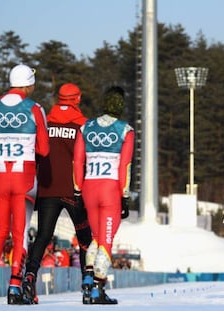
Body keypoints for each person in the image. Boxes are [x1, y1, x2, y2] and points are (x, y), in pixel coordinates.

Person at [0, 64, 49, 305]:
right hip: (24, 177)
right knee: (20, 234)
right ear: (28, 83)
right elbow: (44, 149)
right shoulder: (35, 108)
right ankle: (15, 287)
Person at [22, 83, 92, 304]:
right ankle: (88, 285)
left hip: (48, 188)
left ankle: (29, 277)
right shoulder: (83, 125)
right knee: (85, 241)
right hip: (75, 190)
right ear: (77, 99)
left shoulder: (44, 120)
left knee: (43, 236)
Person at [73, 86, 134, 304]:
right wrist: (124, 196)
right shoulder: (125, 130)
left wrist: (78, 191)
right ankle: (98, 289)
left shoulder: (85, 127)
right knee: (106, 241)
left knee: (97, 238)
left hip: (89, 187)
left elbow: (77, 161)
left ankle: (88, 281)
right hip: (110, 191)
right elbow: (124, 166)